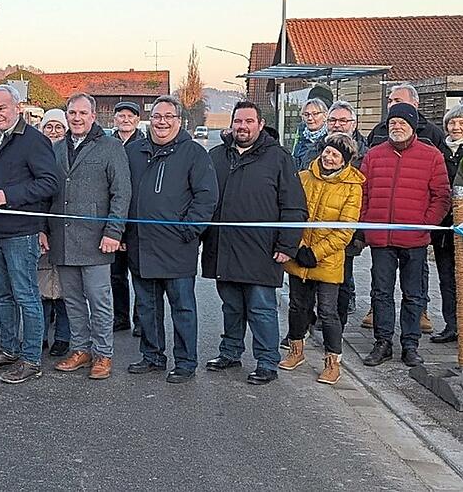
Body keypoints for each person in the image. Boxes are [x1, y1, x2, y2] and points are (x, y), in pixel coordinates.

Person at [202, 101, 307, 385]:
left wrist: (287, 245)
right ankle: (230, 352)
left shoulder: (279, 158)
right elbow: (203, 199)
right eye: (238, 121)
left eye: (249, 121)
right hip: (223, 248)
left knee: (261, 309)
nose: (243, 127)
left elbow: (294, 206)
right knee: (231, 306)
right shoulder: (216, 157)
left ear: (260, 125)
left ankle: (267, 361)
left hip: (262, 250)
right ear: (231, 124)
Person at [125, 96, 218, 383]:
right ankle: (152, 355)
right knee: (147, 307)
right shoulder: (134, 152)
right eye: (157, 116)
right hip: (141, 245)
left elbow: (206, 197)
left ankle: (186, 362)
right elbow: (121, 193)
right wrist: (123, 233)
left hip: (177, 247)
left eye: (168, 117)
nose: (161, 122)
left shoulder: (194, 153)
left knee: (183, 309)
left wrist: (188, 231)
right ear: (149, 120)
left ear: (179, 121)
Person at [0, 84, 60, 384]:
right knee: (2, 295)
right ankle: (9, 349)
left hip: (20, 233)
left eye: (2, 108)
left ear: (17, 108)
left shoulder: (33, 140)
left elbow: (49, 182)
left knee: (26, 296)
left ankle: (31, 358)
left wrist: (9, 195)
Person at [47, 93, 131, 381]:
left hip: (97, 239)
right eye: (72, 113)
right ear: (66, 115)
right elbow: (48, 192)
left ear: (94, 116)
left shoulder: (111, 147)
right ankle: (80, 349)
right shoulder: (57, 149)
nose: (77, 118)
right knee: (72, 299)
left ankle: (103, 354)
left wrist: (113, 231)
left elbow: (122, 193)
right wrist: (45, 229)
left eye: (83, 113)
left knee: (99, 299)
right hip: (63, 237)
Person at [361, 103, 450, 368]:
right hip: (381, 238)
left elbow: (441, 196)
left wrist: (425, 224)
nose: (396, 127)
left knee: (414, 294)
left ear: (412, 126)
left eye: (402, 123)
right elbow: (362, 193)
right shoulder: (374, 155)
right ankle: (383, 342)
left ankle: (410, 344)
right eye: (392, 123)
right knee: (381, 293)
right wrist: (367, 223)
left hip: (414, 239)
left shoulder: (431, 156)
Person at [279, 134, 363, 385]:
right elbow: (291, 213)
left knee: (328, 311)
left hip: (328, 260)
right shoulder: (303, 177)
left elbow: (345, 231)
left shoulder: (353, 187)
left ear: (344, 160)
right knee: (297, 306)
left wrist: (315, 252)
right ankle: (296, 350)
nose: (329, 157)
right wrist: (298, 247)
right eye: (327, 152)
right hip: (299, 255)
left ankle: (332, 362)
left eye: (335, 155)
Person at [325, 101, 368, 332]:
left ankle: (336, 329)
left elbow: (368, 196)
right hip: (315, 230)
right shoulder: (316, 149)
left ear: (354, 123)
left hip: (346, 232)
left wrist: (360, 234)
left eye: (343, 120)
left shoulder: (365, 154)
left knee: (341, 280)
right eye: (332, 120)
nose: (337, 125)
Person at [37, 109, 70, 357]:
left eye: (59, 127)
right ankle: (39, 336)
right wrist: (40, 228)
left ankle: (62, 337)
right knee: (41, 288)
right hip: (42, 227)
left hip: (67, 229)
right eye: (49, 127)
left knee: (65, 291)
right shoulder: (37, 153)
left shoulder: (69, 153)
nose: (54, 131)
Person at [110, 101, 144, 334]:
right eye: (121, 115)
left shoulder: (144, 145)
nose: (125, 119)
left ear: (137, 120)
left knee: (140, 274)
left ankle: (141, 320)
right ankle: (120, 317)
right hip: (114, 218)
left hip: (137, 218)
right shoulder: (107, 144)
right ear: (115, 119)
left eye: (130, 116)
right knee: (116, 275)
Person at [431, 104, 463, 344]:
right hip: (443, 227)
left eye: (461, 123)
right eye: (452, 123)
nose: (456, 127)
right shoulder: (438, 152)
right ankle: (451, 325)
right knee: (446, 277)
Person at [291, 98, 329, 170]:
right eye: (306, 114)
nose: (310, 118)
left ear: (325, 116)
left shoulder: (330, 139)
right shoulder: (300, 137)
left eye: (315, 114)